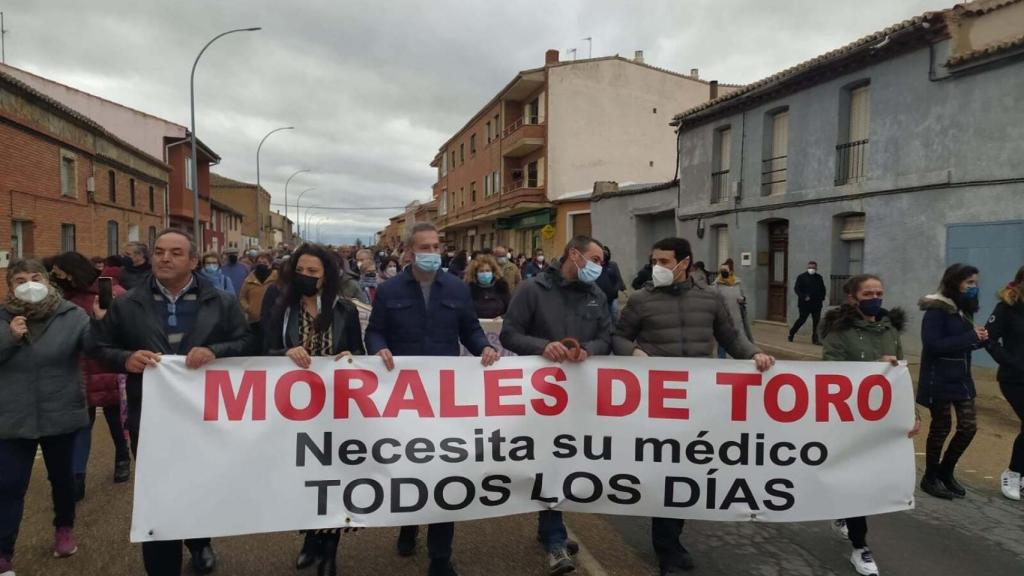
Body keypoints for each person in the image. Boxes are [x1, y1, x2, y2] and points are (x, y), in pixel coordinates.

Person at [92, 229, 251, 576]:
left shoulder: (221, 301)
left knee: (199, 483)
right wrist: (125, 358)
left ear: (194, 261)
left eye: (175, 253)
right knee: (159, 490)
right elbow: (98, 347)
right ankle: (162, 562)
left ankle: (199, 542)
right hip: (150, 415)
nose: (165, 258)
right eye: (159, 252)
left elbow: (245, 342)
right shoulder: (128, 303)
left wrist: (215, 351)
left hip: (205, 415)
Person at [612, 237, 773, 576]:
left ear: (685, 263)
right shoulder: (641, 300)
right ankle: (667, 549)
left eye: (664, 261)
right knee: (667, 472)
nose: (657, 267)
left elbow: (732, 338)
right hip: (658, 401)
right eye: (654, 260)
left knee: (688, 471)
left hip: (700, 401)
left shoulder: (711, 299)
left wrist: (754, 354)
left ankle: (674, 540)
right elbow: (619, 336)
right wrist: (634, 353)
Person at [365, 223, 498, 576]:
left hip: (445, 398)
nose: (432, 252)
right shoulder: (390, 289)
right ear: (409, 252)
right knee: (409, 466)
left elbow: (469, 329)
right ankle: (409, 525)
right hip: (403, 399)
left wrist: (483, 347)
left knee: (444, 471)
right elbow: (374, 331)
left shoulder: (456, 287)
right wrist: (379, 350)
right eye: (424, 246)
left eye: (436, 246)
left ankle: (440, 556)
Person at [501, 235, 612, 576]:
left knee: (567, 460)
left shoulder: (597, 296)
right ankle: (554, 538)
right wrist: (542, 347)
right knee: (550, 459)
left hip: (578, 395)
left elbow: (608, 337)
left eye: (602, 261)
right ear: (573, 254)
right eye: (594, 258)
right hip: (539, 397)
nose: (599, 266)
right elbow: (509, 334)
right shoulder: (532, 290)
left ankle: (551, 527)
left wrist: (589, 349)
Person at [265, 244, 365, 576]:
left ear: (327, 277)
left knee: (333, 478)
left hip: (336, 407)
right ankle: (309, 539)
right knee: (304, 476)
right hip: (294, 409)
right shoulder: (278, 304)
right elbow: (260, 349)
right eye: (301, 271)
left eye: (313, 272)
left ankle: (329, 550)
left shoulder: (345, 309)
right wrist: (284, 352)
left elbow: (358, 352)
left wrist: (348, 358)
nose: (306, 277)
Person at [820, 274, 919, 576]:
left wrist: (911, 413)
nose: (875, 297)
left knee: (870, 476)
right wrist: (875, 363)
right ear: (853, 297)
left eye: (879, 292)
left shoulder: (890, 329)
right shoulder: (839, 330)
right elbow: (831, 371)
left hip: (881, 415)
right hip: (848, 416)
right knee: (856, 479)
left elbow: (899, 376)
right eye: (868, 293)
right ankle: (860, 545)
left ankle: (845, 517)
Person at [1, 259, 93, 573]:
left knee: (63, 479)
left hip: (61, 410)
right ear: (10, 286)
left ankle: (64, 528)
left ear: (48, 281)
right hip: (12, 416)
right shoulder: (2, 318)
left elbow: (94, 347)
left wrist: (104, 323)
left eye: (35, 277)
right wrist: (9, 338)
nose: (29, 283)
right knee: (9, 484)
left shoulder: (71, 315)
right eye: (20, 279)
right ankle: (3, 552)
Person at [50, 252, 132, 501]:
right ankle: (78, 476)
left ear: (72, 272)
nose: (55, 277)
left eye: (58, 272)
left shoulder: (113, 294)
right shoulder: (61, 300)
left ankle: (122, 458)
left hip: (108, 368)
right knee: (81, 427)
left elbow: (127, 330)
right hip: (78, 372)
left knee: (116, 421)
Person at [917, 263, 987, 500]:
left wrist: (978, 339)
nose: (973, 287)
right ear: (955, 282)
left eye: (975, 283)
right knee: (941, 428)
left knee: (969, 427)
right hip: (939, 380)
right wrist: (969, 336)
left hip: (961, 380)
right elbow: (933, 345)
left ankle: (946, 472)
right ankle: (930, 478)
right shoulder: (937, 310)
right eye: (969, 283)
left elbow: (962, 342)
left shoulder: (962, 310)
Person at [985, 266, 1024, 500]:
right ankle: (1013, 472)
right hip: (1014, 378)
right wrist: (1009, 361)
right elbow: (989, 338)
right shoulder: (1007, 307)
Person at [713, 258, 753, 357]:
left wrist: (742, 300)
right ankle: (721, 364)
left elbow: (744, 297)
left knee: (740, 342)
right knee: (722, 342)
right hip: (723, 319)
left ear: (731, 271)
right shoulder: (716, 284)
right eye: (721, 270)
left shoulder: (737, 283)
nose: (722, 272)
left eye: (725, 270)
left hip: (737, 318)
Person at [789, 261, 827, 345]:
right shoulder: (802, 277)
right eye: (810, 267)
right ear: (807, 268)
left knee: (816, 322)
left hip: (816, 304)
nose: (811, 269)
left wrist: (822, 298)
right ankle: (792, 333)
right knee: (802, 320)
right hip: (804, 304)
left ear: (816, 268)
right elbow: (797, 289)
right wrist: (804, 296)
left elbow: (823, 289)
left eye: (813, 268)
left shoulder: (819, 277)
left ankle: (815, 339)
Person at [465, 254, 510, 319]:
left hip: (497, 326)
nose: (485, 274)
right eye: (481, 271)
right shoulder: (469, 289)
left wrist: (502, 317)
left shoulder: (501, 287)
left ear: (493, 272)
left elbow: (510, 310)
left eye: (488, 271)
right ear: (475, 273)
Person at [595, 246, 625, 319]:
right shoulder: (596, 266)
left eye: (606, 252)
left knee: (615, 314)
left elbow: (618, 278)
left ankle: (615, 329)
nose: (604, 254)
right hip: (599, 296)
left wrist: (621, 289)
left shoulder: (613, 265)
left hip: (613, 296)